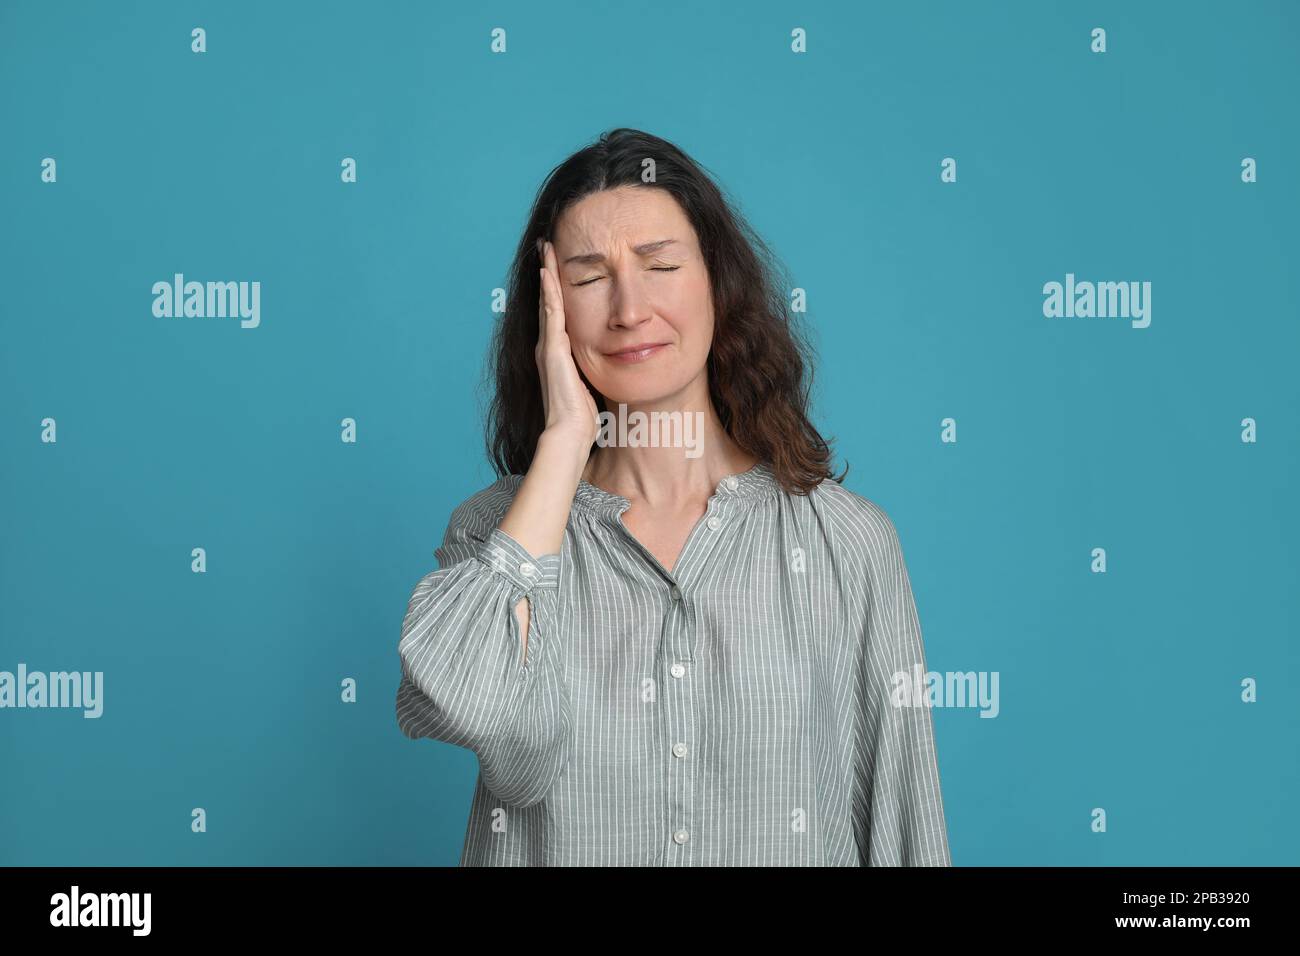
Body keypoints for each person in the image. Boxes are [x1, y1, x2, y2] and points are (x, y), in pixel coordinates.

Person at [395, 128, 951, 866]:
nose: (629, 309)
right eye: (590, 279)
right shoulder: (496, 534)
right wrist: (565, 439)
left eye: (660, 265)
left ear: (716, 282)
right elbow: (473, 706)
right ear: (549, 311)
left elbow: (903, 825)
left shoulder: (848, 544)